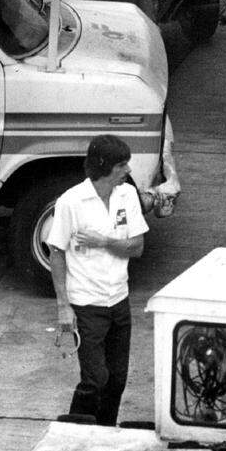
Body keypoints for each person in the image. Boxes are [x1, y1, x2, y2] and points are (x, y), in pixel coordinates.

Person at [47, 134, 148, 426]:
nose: (128, 170)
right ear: (105, 167)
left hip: (119, 299)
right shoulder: (71, 201)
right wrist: (63, 306)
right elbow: (57, 252)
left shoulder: (127, 195)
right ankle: (74, 431)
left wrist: (103, 241)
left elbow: (137, 246)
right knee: (95, 379)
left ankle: (103, 432)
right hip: (87, 304)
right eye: (122, 165)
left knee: (117, 379)